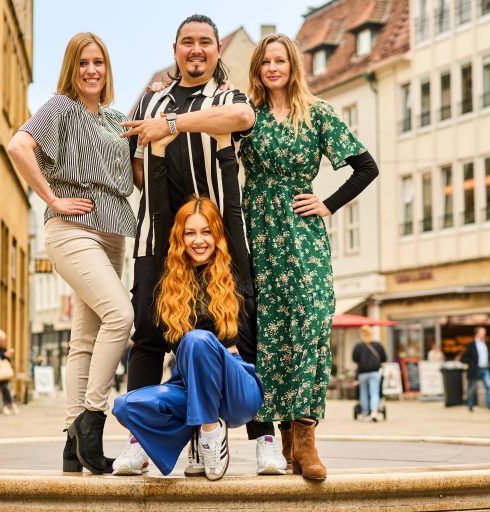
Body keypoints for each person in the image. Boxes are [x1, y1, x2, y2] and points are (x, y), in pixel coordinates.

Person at [115, 14, 282, 476]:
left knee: (242, 331)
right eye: (187, 42)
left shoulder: (225, 96)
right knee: (149, 336)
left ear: (215, 51)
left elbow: (242, 117)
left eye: (205, 42)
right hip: (160, 234)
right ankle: (140, 442)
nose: (196, 50)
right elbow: (133, 162)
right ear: (175, 50)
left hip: (222, 235)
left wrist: (171, 123)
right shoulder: (149, 97)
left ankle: (264, 438)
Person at [239, 34, 379, 481]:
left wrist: (329, 204)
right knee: (269, 335)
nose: (273, 68)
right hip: (259, 234)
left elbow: (366, 167)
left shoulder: (317, 113)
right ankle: (283, 442)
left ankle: (306, 433)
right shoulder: (248, 115)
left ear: (292, 65)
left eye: (280, 60)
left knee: (312, 322)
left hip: (303, 237)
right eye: (266, 62)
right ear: (258, 68)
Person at [7, 32, 135, 474]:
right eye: (83, 63)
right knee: (121, 316)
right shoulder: (61, 107)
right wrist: (54, 199)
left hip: (113, 235)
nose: (92, 70)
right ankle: (91, 421)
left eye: (98, 62)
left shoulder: (116, 118)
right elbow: (18, 146)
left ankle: (70, 446)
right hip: (73, 230)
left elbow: (135, 169)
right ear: (71, 69)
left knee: (83, 340)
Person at [112, 130, 263, 480]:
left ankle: (210, 434)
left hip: (238, 385)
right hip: (190, 386)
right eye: (190, 233)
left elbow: (233, 205)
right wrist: (159, 151)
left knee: (196, 340)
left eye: (206, 232)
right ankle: (198, 431)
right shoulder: (171, 280)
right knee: (127, 405)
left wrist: (225, 146)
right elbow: (161, 211)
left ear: (218, 235)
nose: (198, 240)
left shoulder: (236, 267)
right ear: (180, 238)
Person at [352, 326, 387, 422]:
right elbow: (384, 358)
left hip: (362, 373)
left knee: (363, 392)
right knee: (374, 392)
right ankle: (374, 412)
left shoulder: (359, 346)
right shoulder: (378, 345)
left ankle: (365, 412)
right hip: (375, 372)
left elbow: (354, 359)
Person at [463, 327, 490, 411]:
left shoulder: (486, 344)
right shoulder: (471, 345)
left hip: (485, 369)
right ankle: (470, 405)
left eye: (484, 332)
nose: (484, 334)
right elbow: (465, 357)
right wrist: (471, 364)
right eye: (482, 332)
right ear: (477, 333)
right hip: (475, 369)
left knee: (488, 386)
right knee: (473, 388)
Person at [0, 329, 19, 416]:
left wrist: (8, 356)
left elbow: (8, 362)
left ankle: (6, 406)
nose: (4, 342)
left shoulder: (4, 349)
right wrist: (4, 355)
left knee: (4, 385)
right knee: (4, 386)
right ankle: (11, 404)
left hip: (4, 374)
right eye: (2, 340)